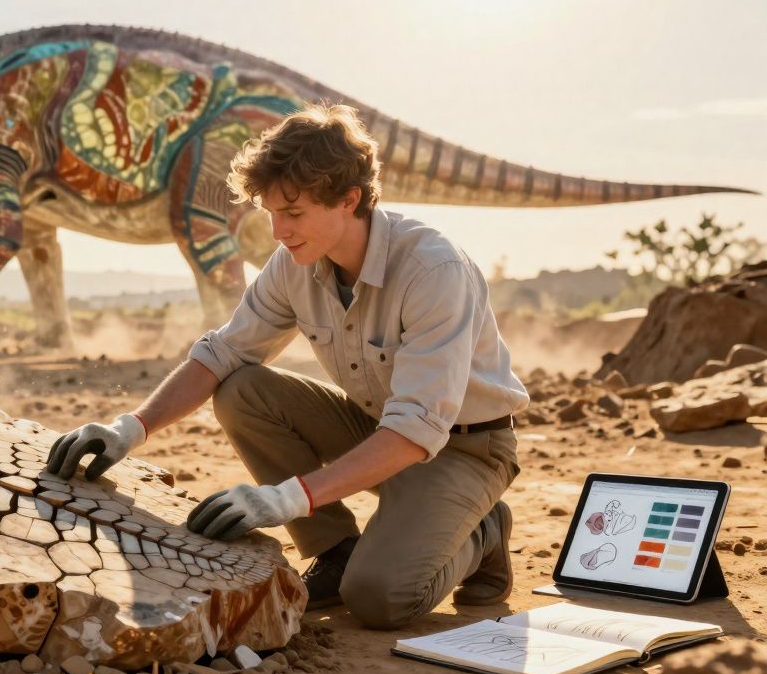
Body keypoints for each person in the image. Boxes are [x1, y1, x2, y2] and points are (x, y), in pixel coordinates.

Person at [45, 103, 528, 629]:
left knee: (378, 600)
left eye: (293, 214)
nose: (277, 231)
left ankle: (483, 532)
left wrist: (288, 497)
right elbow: (223, 352)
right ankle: (337, 546)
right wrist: (129, 429)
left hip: (463, 449)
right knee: (243, 389)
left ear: (350, 200)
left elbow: (415, 430)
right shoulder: (294, 262)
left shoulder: (433, 269)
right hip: (377, 426)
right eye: (271, 212)